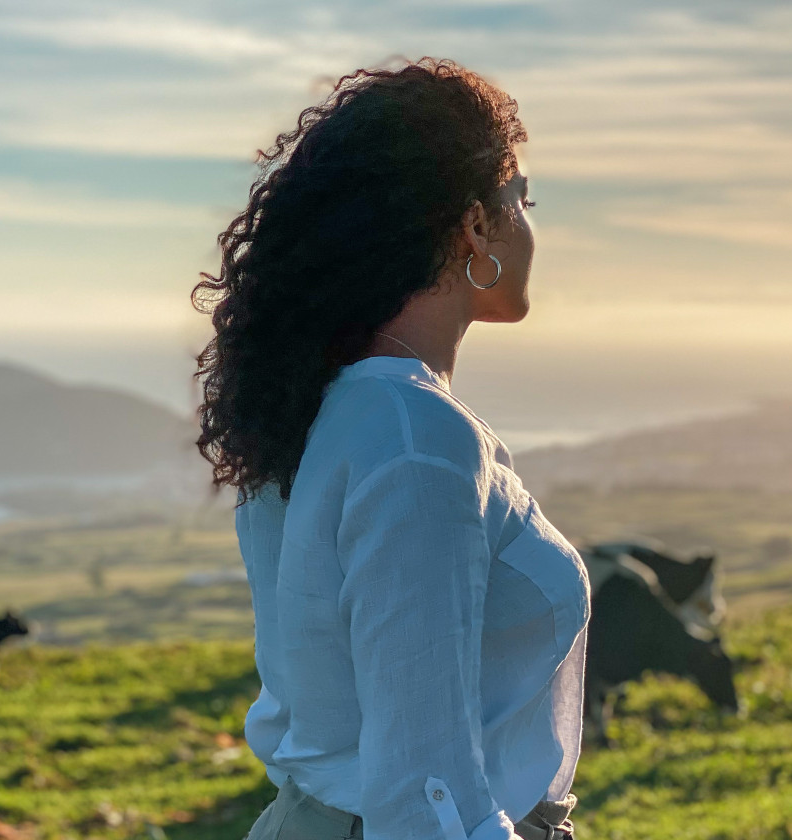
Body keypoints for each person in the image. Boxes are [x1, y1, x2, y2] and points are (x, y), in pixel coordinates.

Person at [190, 58, 591, 840]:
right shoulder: (414, 435)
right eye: (523, 200)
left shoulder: (319, 408)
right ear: (476, 226)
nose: (533, 226)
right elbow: (424, 792)